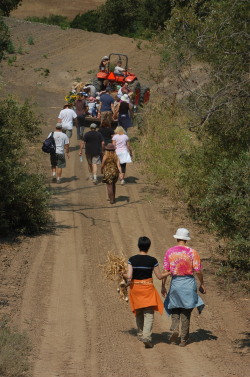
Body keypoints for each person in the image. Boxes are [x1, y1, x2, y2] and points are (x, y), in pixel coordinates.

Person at [161, 228, 206, 347]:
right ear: (187, 239)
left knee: (175, 307)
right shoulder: (192, 252)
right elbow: (198, 271)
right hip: (188, 284)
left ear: (176, 238)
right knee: (186, 311)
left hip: (176, 283)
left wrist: (163, 286)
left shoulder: (169, 252)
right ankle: (183, 340)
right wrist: (202, 283)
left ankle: (175, 327)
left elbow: (165, 271)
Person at [123, 236, 170, 348]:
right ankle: (147, 336)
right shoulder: (152, 260)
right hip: (147, 289)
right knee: (148, 314)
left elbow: (129, 276)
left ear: (138, 246)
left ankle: (140, 334)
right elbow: (159, 276)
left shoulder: (132, 259)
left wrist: (122, 273)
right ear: (148, 247)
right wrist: (169, 272)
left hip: (136, 289)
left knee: (139, 312)